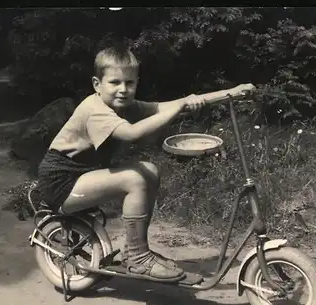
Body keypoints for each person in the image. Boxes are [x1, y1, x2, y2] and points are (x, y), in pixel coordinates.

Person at [37, 44, 256, 282]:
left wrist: (231, 93)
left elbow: (173, 105)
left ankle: (138, 249)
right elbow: (132, 134)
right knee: (135, 178)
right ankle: (138, 259)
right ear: (96, 85)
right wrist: (181, 107)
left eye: (130, 83)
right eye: (115, 82)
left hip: (83, 176)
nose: (123, 89)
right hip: (61, 182)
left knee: (149, 170)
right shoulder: (94, 109)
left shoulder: (126, 106)